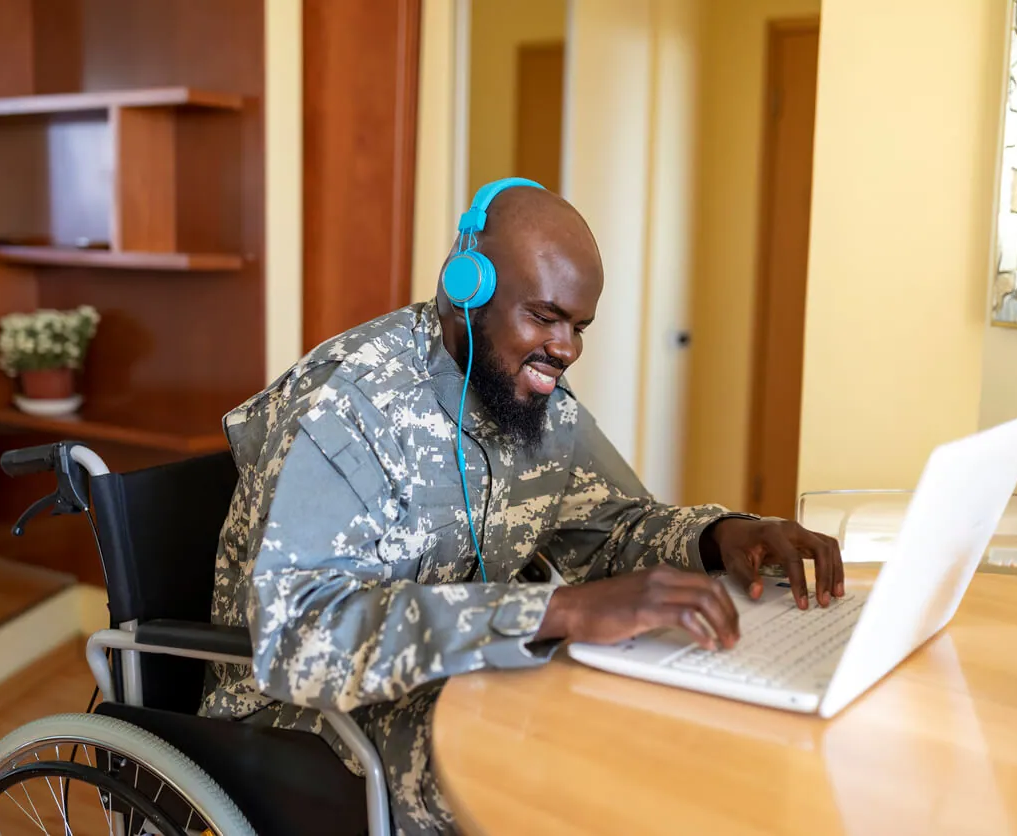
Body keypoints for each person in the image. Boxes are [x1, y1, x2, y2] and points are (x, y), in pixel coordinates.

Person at [200, 178, 844, 835]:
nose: (566, 349)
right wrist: (557, 609)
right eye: (544, 317)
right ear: (467, 290)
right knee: (560, 777)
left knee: (650, 728)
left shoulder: (527, 396)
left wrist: (722, 536)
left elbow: (605, 526)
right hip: (302, 721)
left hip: (457, 682)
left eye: (578, 326)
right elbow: (301, 635)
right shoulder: (349, 407)